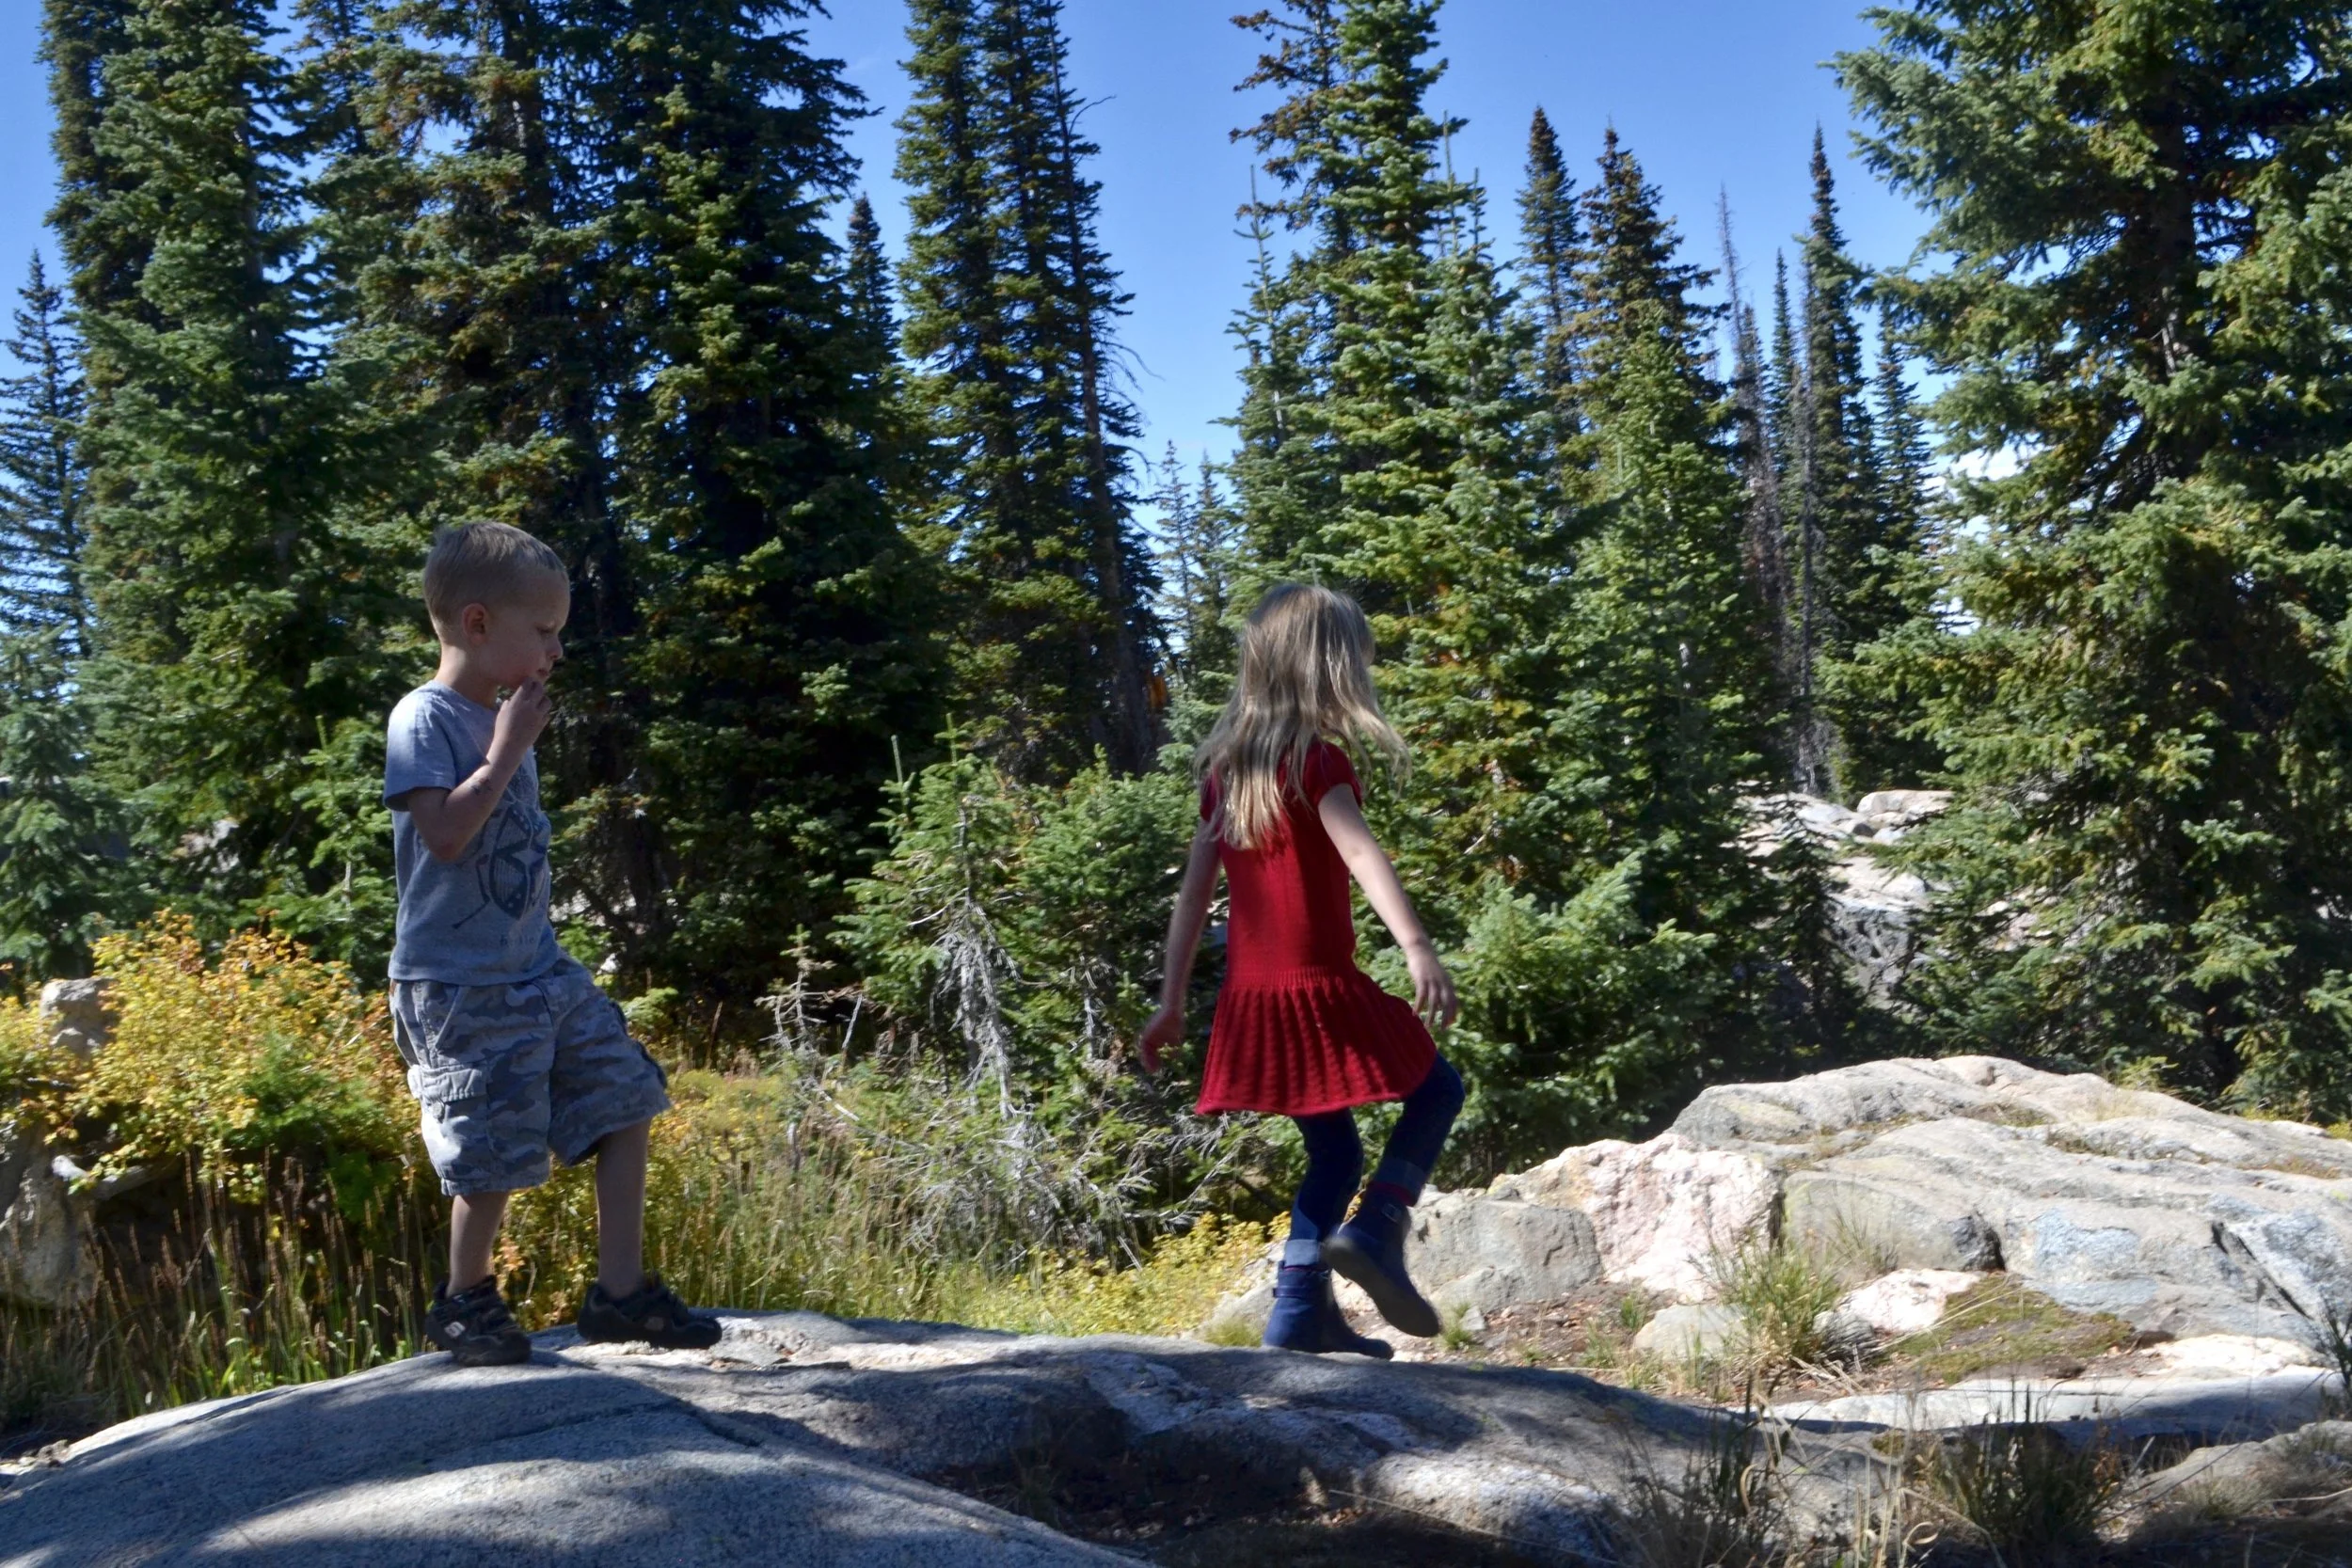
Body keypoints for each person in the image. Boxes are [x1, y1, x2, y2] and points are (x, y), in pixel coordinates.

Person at [384, 521, 719, 1366]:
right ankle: (463, 1301)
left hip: (538, 967)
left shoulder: (507, 718)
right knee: (491, 1145)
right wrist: (505, 750)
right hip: (458, 983)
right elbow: (445, 836)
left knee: (625, 1095)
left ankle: (620, 1295)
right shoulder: (424, 717)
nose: (556, 651)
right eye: (543, 631)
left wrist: (510, 742)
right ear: (476, 623)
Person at [1139, 583, 1465, 1356]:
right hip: (1318, 987)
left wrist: (1172, 1001)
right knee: (1438, 1089)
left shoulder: (1226, 774)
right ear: (1328, 668)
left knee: (1335, 1151)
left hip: (1253, 1002)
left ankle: (1297, 1315)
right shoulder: (1318, 762)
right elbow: (1359, 851)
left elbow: (1194, 898)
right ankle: (1379, 1224)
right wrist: (1417, 945)